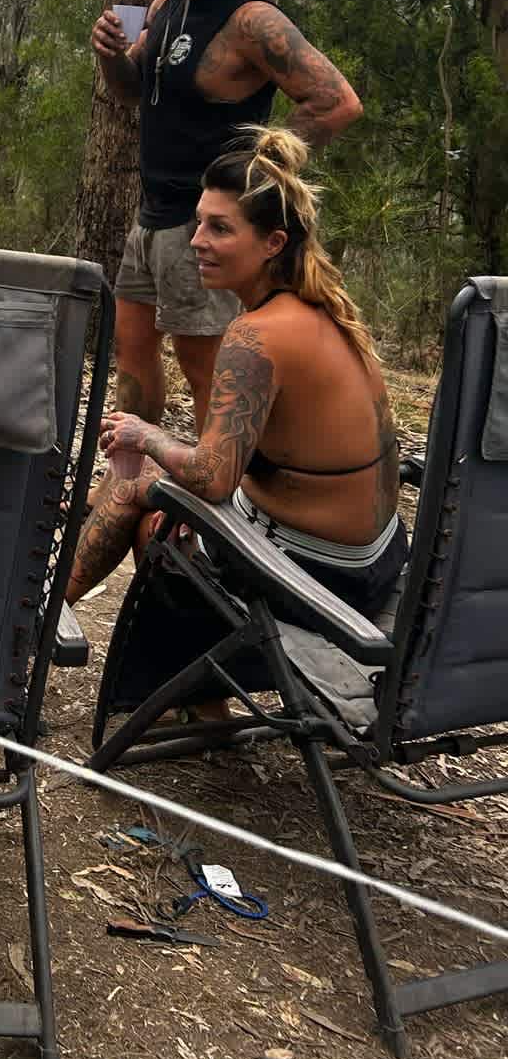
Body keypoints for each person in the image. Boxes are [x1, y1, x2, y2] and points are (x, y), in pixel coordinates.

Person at [65, 128, 404, 663]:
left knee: (134, 486)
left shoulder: (257, 335)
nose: (197, 239)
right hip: (375, 563)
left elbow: (213, 477)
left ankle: (31, 636)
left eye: (219, 228)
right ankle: (198, 700)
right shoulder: (325, 310)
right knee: (159, 482)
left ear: (273, 243)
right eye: (199, 221)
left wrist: (144, 434)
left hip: (321, 582)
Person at [90, 0, 362, 432]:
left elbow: (337, 103)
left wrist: (257, 175)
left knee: (206, 369)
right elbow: (133, 90)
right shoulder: (167, 5)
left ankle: (216, 495)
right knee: (131, 351)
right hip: (153, 216)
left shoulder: (252, 20)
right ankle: (131, 476)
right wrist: (112, 57)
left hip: (207, 224)